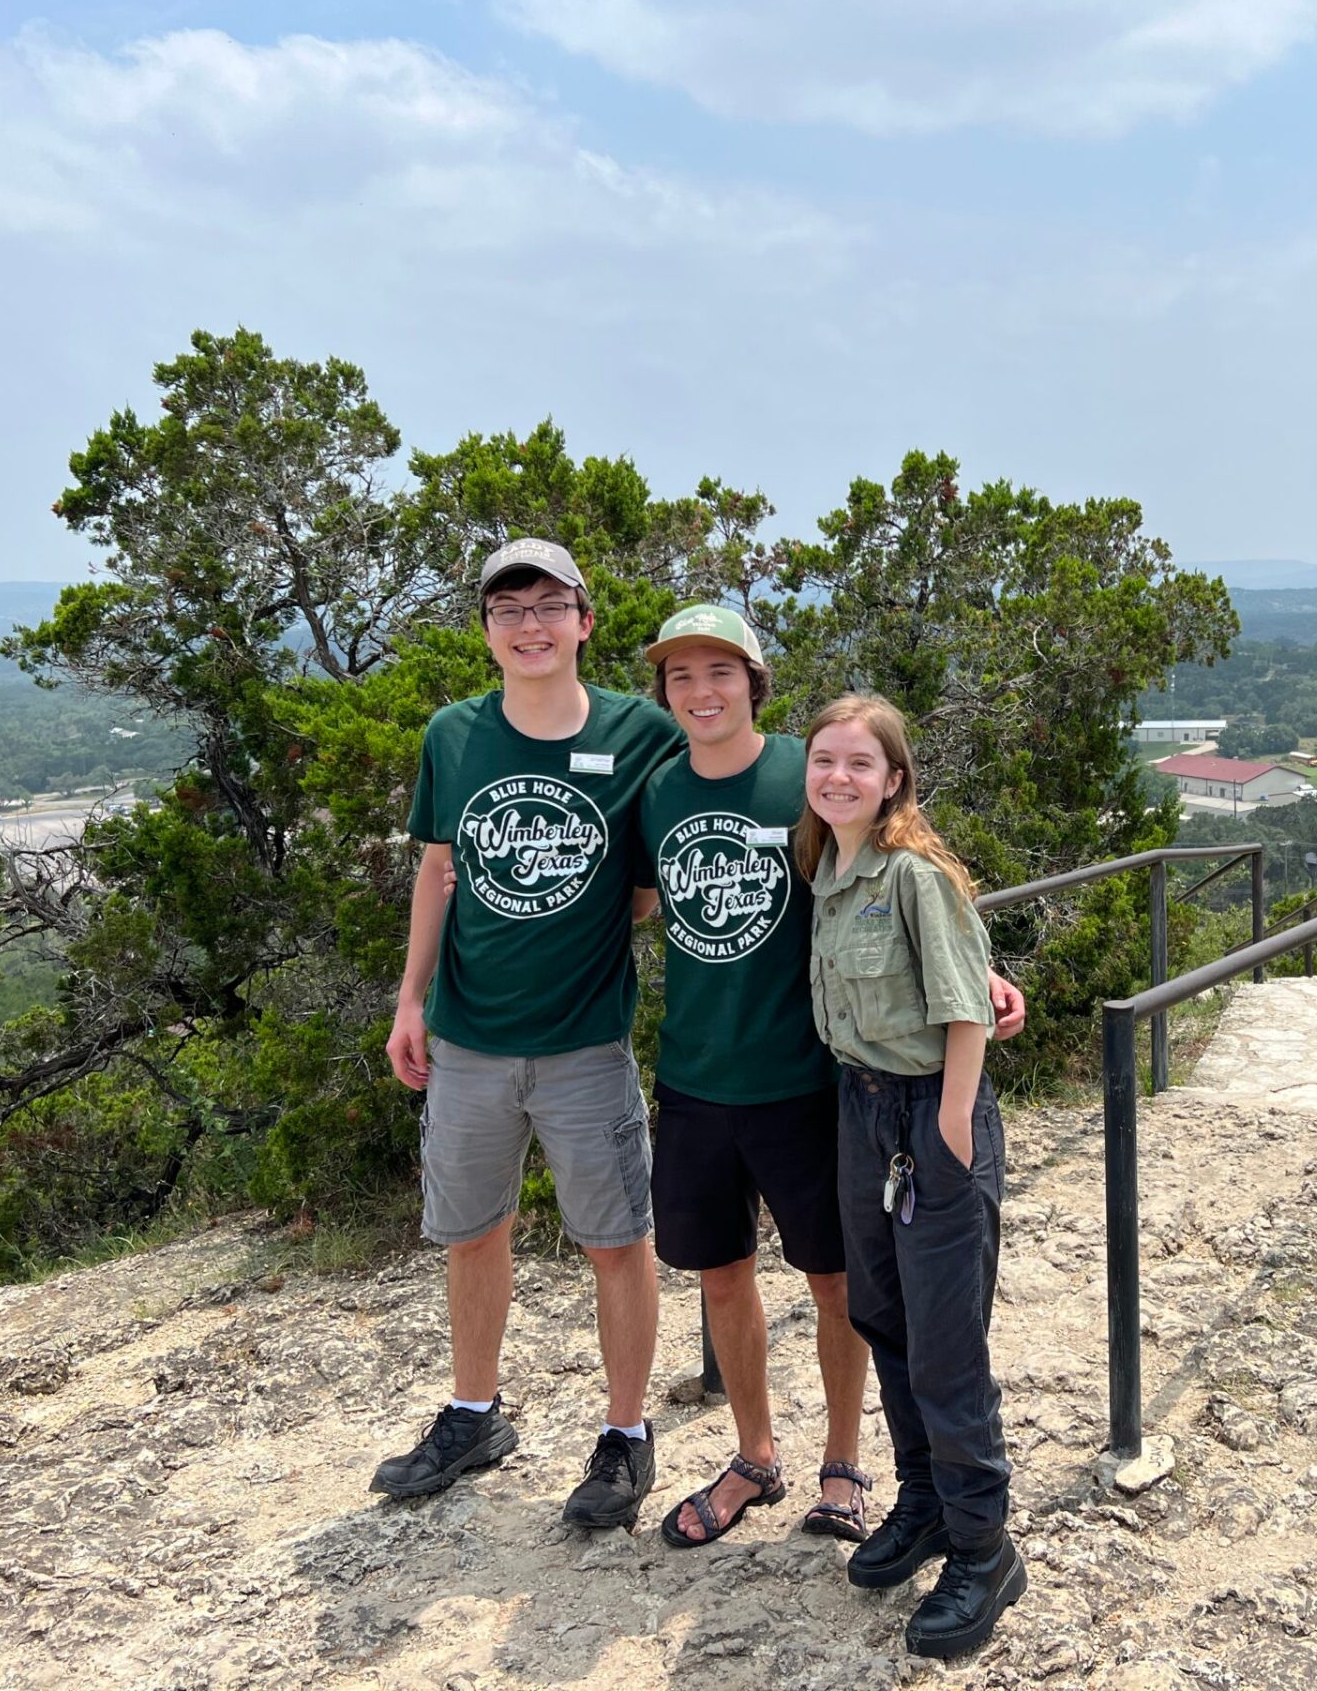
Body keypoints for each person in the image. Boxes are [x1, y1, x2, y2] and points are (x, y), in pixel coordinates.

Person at [637, 604, 1027, 1549]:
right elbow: (636, 901)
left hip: (818, 1086)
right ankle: (755, 1456)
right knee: (724, 1278)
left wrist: (974, 981)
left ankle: (847, 1466)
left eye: (719, 672)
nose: (701, 691)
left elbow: (901, 884)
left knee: (845, 1288)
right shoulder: (656, 790)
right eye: (680, 676)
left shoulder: (802, 779)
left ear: (755, 684)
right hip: (695, 1078)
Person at [372, 537, 682, 1532]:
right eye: (509, 610)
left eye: (551, 605)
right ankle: (475, 1413)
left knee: (617, 1240)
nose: (531, 625)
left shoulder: (643, 734)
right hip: (468, 1038)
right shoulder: (453, 736)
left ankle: (626, 1435)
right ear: (488, 633)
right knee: (473, 1233)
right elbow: (434, 869)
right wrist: (410, 1000)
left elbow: (648, 882)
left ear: (586, 622)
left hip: (587, 1041)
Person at [797, 693, 1025, 1661]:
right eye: (825, 761)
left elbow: (967, 1004)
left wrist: (950, 1124)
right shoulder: (824, 862)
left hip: (932, 1107)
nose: (839, 777)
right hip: (861, 1109)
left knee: (944, 1340)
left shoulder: (915, 875)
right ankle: (924, 1500)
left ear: (895, 779)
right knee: (882, 1316)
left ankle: (984, 1545)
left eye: (860, 763)